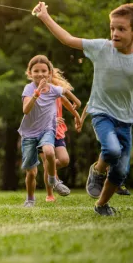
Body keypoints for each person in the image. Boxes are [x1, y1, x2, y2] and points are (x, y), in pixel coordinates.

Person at [33, 2, 133, 215]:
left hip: (125, 119)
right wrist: (45, 16)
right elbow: (68, 39)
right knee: (112, 150)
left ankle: (101, 205)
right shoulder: (101, 48)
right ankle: (97, 171)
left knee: (121, 171)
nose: (114, 33)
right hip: (101, 112)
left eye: (121, 29)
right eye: (112, 28)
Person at [18, 55, 78, 207]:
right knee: (31, 173)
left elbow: (65, 92)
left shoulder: (52, 89)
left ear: (49, 72)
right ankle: (30, 199)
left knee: (50, 153)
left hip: (47, 130)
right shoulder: (29, 89)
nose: (40, 74)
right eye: (36, 71)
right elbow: (26, 110)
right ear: (30, 73)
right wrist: (36, 93)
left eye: (44, 70)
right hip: (29, 134)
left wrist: (77, 105)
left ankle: (52, 180)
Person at [40, 68, 81, 202]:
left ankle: (50, 171)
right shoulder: (37, 92)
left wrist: (77, 116)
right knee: (47, 160)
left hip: (57, 131)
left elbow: (66, 101)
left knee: (64, 160)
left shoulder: (56, 90)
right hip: (42, 131)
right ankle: (50, 195)